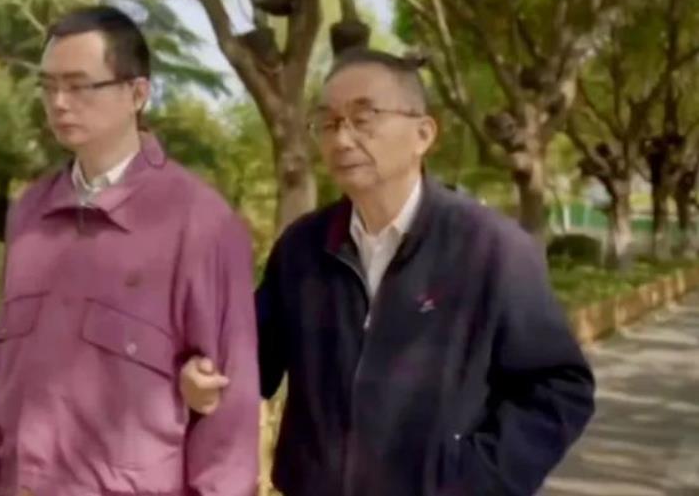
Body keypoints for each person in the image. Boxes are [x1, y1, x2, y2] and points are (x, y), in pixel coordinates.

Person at [179, 48, 596, 495]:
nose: (342, 139)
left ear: (423, 134)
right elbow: (248, 360)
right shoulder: (303, 248)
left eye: (364, 119)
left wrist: (475, 481)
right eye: (328, 123)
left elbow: (558, 387)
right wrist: (198, 375)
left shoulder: (490, 248)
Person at [0, 5, 260, 496]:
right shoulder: (30, 213)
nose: (59, 103)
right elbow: (0, 377)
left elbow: (228, 420)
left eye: (79, 86)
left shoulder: (200, 223)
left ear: (137, 93)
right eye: (48, 86)